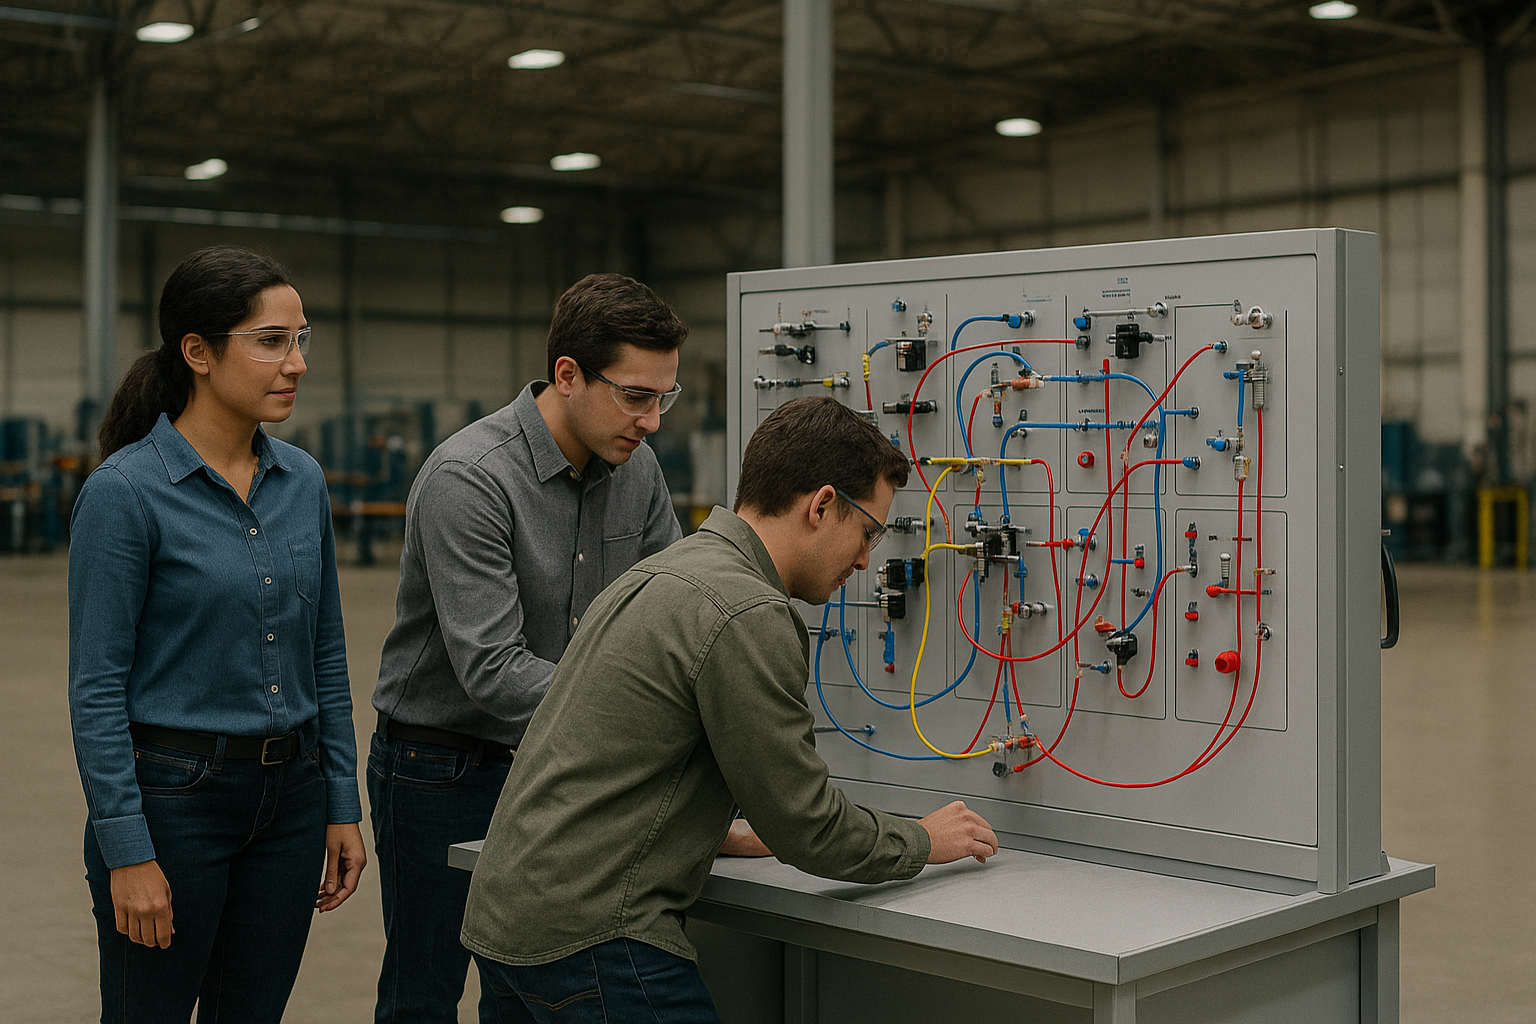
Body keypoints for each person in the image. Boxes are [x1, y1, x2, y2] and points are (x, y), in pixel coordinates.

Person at [460, 396, 999, 1023]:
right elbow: (809, 828)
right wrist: (922, 841)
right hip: (595, 938)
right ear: (822, 505)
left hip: (509, 924)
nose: (864, 560)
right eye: (868, 532)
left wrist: (710, 829)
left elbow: (612, 755)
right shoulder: (746, 612)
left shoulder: (666, 572)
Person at [369, 273, 693, 1022]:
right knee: (424, 991)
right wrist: (647, 717)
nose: (652, 422)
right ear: (568, 375)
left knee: (528, 983)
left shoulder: (636, 469)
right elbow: (494, 670)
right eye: (636, 395)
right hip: (440, 766)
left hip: (560, 763)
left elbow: (667, 612)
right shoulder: (470, 479)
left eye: (663, 398)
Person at [68, 245, 367, 1023]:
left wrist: (342, 802)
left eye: (302, 338)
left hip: (292, 805)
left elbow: (325, 653)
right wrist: (127, 850)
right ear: (196, 352)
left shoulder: (302, 480)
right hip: (175, 803)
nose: (295, 362)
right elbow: (96, 689)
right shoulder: (125, 495)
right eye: (270, 341)